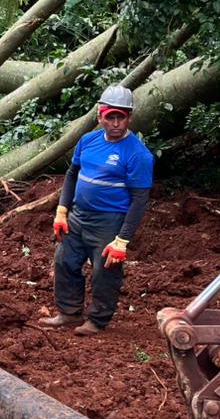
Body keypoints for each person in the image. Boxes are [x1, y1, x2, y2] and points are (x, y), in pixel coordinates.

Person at [43, 85, 154, 336]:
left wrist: (122, 240)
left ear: (129, 118)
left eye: (121, 117)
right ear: (100, 116)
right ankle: (69, 313)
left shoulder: (138, 155)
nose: (115, 123)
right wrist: (62, 211)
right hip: (78, 215)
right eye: (110, 116)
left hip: (109, 221)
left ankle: (97, 320)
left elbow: (139, 199)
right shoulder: (88, 141)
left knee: (104, 270)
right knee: (64, 261)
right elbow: (72, 174)